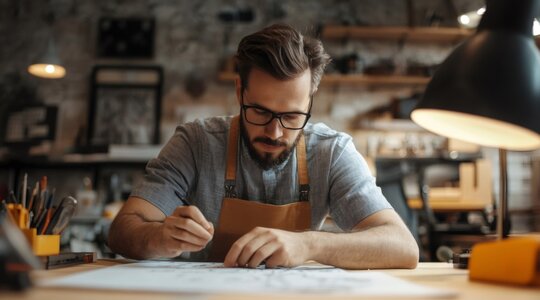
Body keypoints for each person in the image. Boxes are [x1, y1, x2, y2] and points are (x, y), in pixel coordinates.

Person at [108, 24, 419, 269]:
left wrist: (309, 245)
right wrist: (158, 238)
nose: (275, 131)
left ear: (310, 100)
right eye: (260, 111)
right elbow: (122, 230)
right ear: (240, 91)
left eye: (292, 115)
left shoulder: (332, 152)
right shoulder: (196, 143)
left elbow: (402, 246)